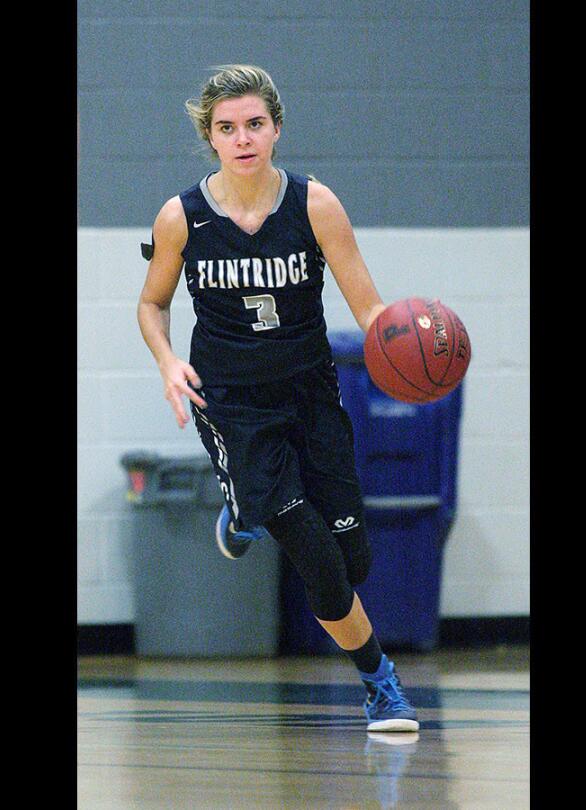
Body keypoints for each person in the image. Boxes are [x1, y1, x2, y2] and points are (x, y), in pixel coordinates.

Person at [136, 64, 417, 732]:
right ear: (210, 136)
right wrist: (169, 361)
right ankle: (382, 686)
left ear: (276, 128)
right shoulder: (183, 217)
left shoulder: (314, 204)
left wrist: (412, 341)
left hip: (311, 392)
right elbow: (152, 302)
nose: (243, 138)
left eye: (254, 124)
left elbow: (370, 306)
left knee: (354, 562)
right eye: (227, 127)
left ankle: (241, 516)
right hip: (232, 403)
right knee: (319, 562)